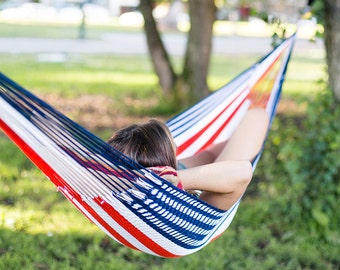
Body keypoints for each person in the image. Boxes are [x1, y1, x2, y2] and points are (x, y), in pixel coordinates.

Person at [107, 108, 269, 211]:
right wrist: (170, 179)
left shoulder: (106, 184)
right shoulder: (191, 206)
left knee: (252, 121)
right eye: (173, 148)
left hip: (179, 173)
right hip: (196, 181)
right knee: (257, 115)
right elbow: (242, 171)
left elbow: (209, 156)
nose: (176, 146)